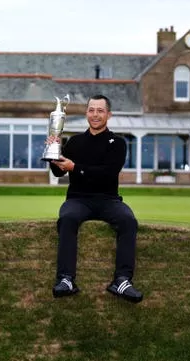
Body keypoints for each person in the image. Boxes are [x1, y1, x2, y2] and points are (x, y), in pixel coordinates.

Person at [48, 94, 143, 303]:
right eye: (91, 110)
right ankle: (65, 279)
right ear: (86, 113)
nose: (95, 115)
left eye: (100, 111)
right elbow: (58, 174)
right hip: (78, 200)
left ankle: (122, 280)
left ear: (108, 114)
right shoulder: (74, 142)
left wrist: (75, 167)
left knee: (128, 220)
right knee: (67, 218)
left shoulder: (117, 143)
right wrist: (53, 154)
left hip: (108, 200)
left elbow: (107, 174)